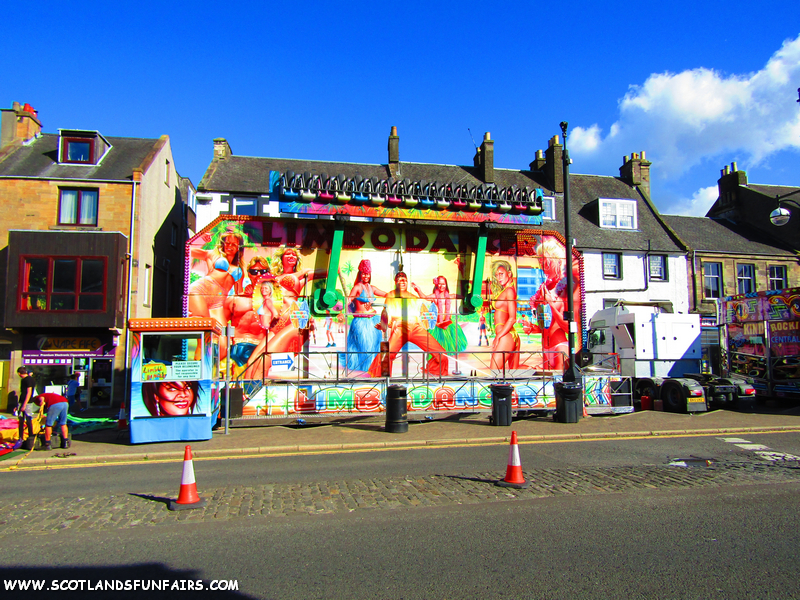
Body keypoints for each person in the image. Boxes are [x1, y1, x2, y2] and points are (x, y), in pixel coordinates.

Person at [367, 272, 448, 377]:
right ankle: (380, 378)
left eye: (404, 280)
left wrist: (436, 322)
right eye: (400, 280)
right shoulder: (391, 295)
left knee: (442, 354)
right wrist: (384, 324)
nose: (402, 282)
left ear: (407, 282)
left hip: (416, 327)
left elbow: (422, 314)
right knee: (387, 354)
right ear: (396, 282)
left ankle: (434, 373)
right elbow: (387, 313)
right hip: (401, 327)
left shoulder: (413, 297)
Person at [529, 238, 582, 372]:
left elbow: (569, 327)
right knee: (547, 390)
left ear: (558, 260)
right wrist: (533, 328)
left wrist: (551, 304)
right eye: (541, 262)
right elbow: (546, 323)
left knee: (558, 386)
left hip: (559, 346)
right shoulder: (544, 287)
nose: (543, 266)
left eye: (546, 262)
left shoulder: (567, 287)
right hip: (545, 347)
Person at [345, 259, 387, 372]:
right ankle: (364, 370)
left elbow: (386, 294)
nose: (366, 276)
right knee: (365, 347)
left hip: (373, 320)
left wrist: (398, 293)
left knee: (375, 346)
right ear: (360, 274)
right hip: (361, 322)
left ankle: (373, 369)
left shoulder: (372, 288)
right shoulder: (357, 287)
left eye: (367, 273)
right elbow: (349, 300)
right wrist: (342, 311)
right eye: (363, 273)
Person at [411, 275, 466, 357]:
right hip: (438, 325)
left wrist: (467, 296)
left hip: (448, 324)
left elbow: (460, 296)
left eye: (443, 284)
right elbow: (424, 297)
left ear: (446, 285)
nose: (441, 286)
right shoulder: (434, 296)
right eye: (439, 284)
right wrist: (418, 290)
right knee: (436, 349)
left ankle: (444, 365)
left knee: (448, 348)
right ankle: (434, 365)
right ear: (436, 285)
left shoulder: (450, 296)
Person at [190, 226, 246, 296]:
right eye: (227, 243)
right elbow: (189, 250)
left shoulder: (238, 270)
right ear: (223, 244)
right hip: (203, 291)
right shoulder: (212, 254)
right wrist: (201, 235)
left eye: (234, 244)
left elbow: (239, 294)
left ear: (238, 248)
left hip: (219, 300)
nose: (230, 246)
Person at [490, 261, 520, 370]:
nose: (499, 277)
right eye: (497, 275)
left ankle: (535, 371)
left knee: (493, 373)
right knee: (512, 374)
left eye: (501, 274)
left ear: (509, 273)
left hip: (506, 335)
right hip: (507, 335)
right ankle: (533, 370)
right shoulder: (506, 290)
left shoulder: (509, 291)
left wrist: (498, 336)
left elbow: (512, 318)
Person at [16, 366, 36, 445]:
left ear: (19, 373)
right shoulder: (26, 379)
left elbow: (29, 392)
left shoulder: (28, 380)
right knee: (21, 419)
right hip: (23, 401)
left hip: (26, 402)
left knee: (27, 419)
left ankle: (30, 436)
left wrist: (24, 404)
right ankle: (21, 436)